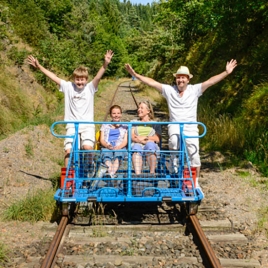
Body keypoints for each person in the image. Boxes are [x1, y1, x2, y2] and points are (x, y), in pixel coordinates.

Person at [125, 60, 237, 187]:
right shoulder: (169, 90)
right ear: (176, 79)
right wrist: (136, 74)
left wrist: (226, 72)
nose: (180, 80)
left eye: (183, 77)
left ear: (188, 79)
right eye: (178, 78)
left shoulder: (195, 90)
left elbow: (210, 81)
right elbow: (152, 82)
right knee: (173, 142)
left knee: (194, 155)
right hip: (175, 125)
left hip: (190, 127)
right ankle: (175, 169)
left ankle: (195, 182)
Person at [27, 50, 114, 172]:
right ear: (74, 79)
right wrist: (39, 67)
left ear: (86, 80)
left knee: (87, 147)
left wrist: (105, 64)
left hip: (87, 125)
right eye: (77, 79)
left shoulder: (90, 88)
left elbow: (98, 76)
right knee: (69, 151)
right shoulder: (68, 87)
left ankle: (89, 169)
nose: (80, 82)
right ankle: (68, 177)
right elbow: (54, 77)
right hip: (72, 125)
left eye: (82, 79)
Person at [131, 101, 161, 175]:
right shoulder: (134, 122)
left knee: (150, 146)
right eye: (138, 108)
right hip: (137, 143)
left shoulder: (155, 124)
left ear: (148, 111)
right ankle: (138, 175)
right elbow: (132, 137)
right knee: (136, 149)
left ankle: (152, 173)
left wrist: (146, 137)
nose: (139, 109)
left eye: (141, 108)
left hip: (149, 143)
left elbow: (157, 139)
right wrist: (142, 141)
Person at [99, 105, 128, 180]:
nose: (116, 115)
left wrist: (119, 147)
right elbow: (101, 139)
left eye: (118, 113)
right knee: (106, 155)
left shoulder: (125, 126)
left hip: (119, 146)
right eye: (114, 113)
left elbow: (125, 140)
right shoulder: (105, 125)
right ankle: (112, 174)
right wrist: (107, 145)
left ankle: (111, 173)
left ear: (121, 114)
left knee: (118, 155)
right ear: (111, 115)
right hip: (108, 145)